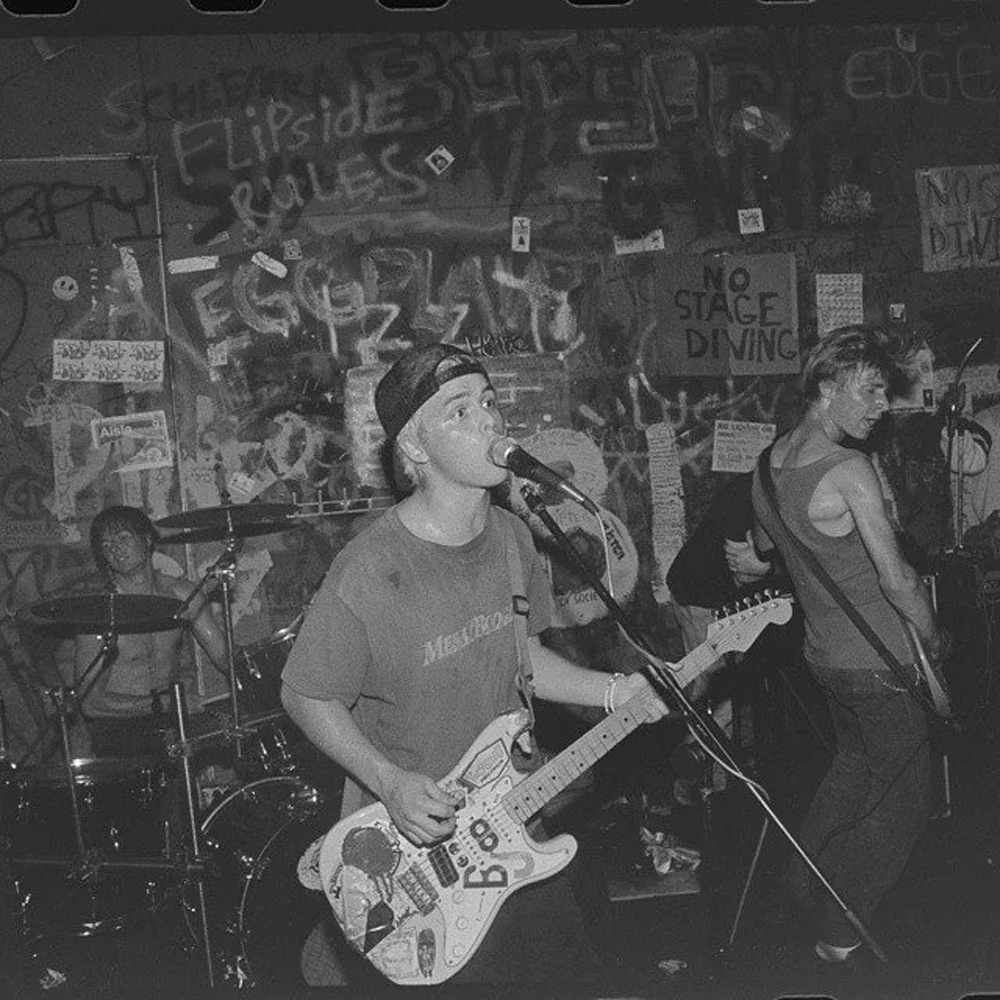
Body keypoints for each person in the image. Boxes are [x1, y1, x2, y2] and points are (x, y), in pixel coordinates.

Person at [280, 342, 669, 987]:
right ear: (415, 449)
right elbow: (304, 695)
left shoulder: (516, 536)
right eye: (459, 411)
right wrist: (391, 780)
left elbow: (522, 659)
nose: (489, 420)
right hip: (419, 853)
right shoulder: (370, 569)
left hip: (512, 819)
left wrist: (616, 691)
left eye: (489, 403)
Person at [750, 324, 945, 970]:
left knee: (855, 769)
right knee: (907, 799)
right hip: (882, 662)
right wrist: (934, 638)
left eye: (885, 393)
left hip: (824, 657)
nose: (883, 405)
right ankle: (838, 930)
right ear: (827, 389)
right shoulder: (849, 468)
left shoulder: (768, 462)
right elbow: (899, 582)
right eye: (869, 391)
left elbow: (762, 551)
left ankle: (802, 880)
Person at [71, 505, 228, 757]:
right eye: (106, 543)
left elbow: (225, 658)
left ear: (147, 539)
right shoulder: (98, 616)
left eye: (123, 537)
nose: (114, 548)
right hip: (118, 733)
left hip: (170, 725)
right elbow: (90, 704)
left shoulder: (182, 596)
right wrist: (167, 704)